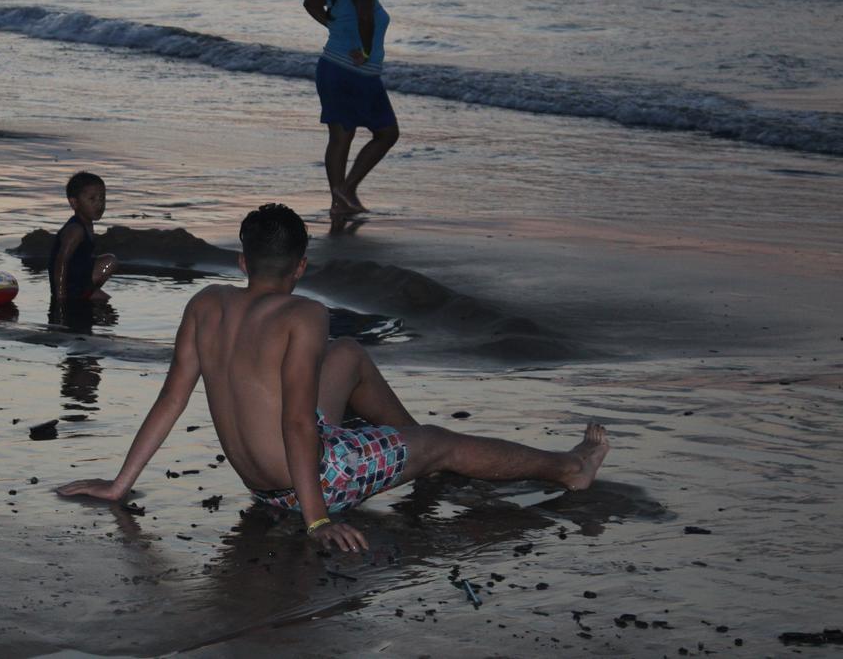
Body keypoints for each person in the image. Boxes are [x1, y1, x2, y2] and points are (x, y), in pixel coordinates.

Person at [57, 204, 610, 552]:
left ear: (242, 263)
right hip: (309, 486)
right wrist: (318, 520)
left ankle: (411, 455)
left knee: (346, 354)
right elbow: (298, 422)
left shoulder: (206, 304)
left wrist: (119, 484)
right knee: (442, 442)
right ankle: (568, 469)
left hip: (263, 481)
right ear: (300, 267)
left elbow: (171, 399)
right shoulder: (303, 314)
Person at [303, 0, 400, 217]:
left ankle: (339, 200)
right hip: (357, 74)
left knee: (340, 137)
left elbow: (310, 3)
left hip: (330, 68)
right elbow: (366, 19)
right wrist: (367, 51)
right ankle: (346, 191)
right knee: (387, 133)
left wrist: (332, 27)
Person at [48, 171, 118, 303]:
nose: (99, 204)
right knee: (110, 261)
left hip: (79, 279)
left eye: (102, 198)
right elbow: (60, 262)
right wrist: (60, 295)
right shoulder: (76, 230)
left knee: (109, 314)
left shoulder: (87, 224)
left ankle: (86, 292)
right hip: (68, 286)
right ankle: (80, 295)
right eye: (92, 199)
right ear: (74, 203)